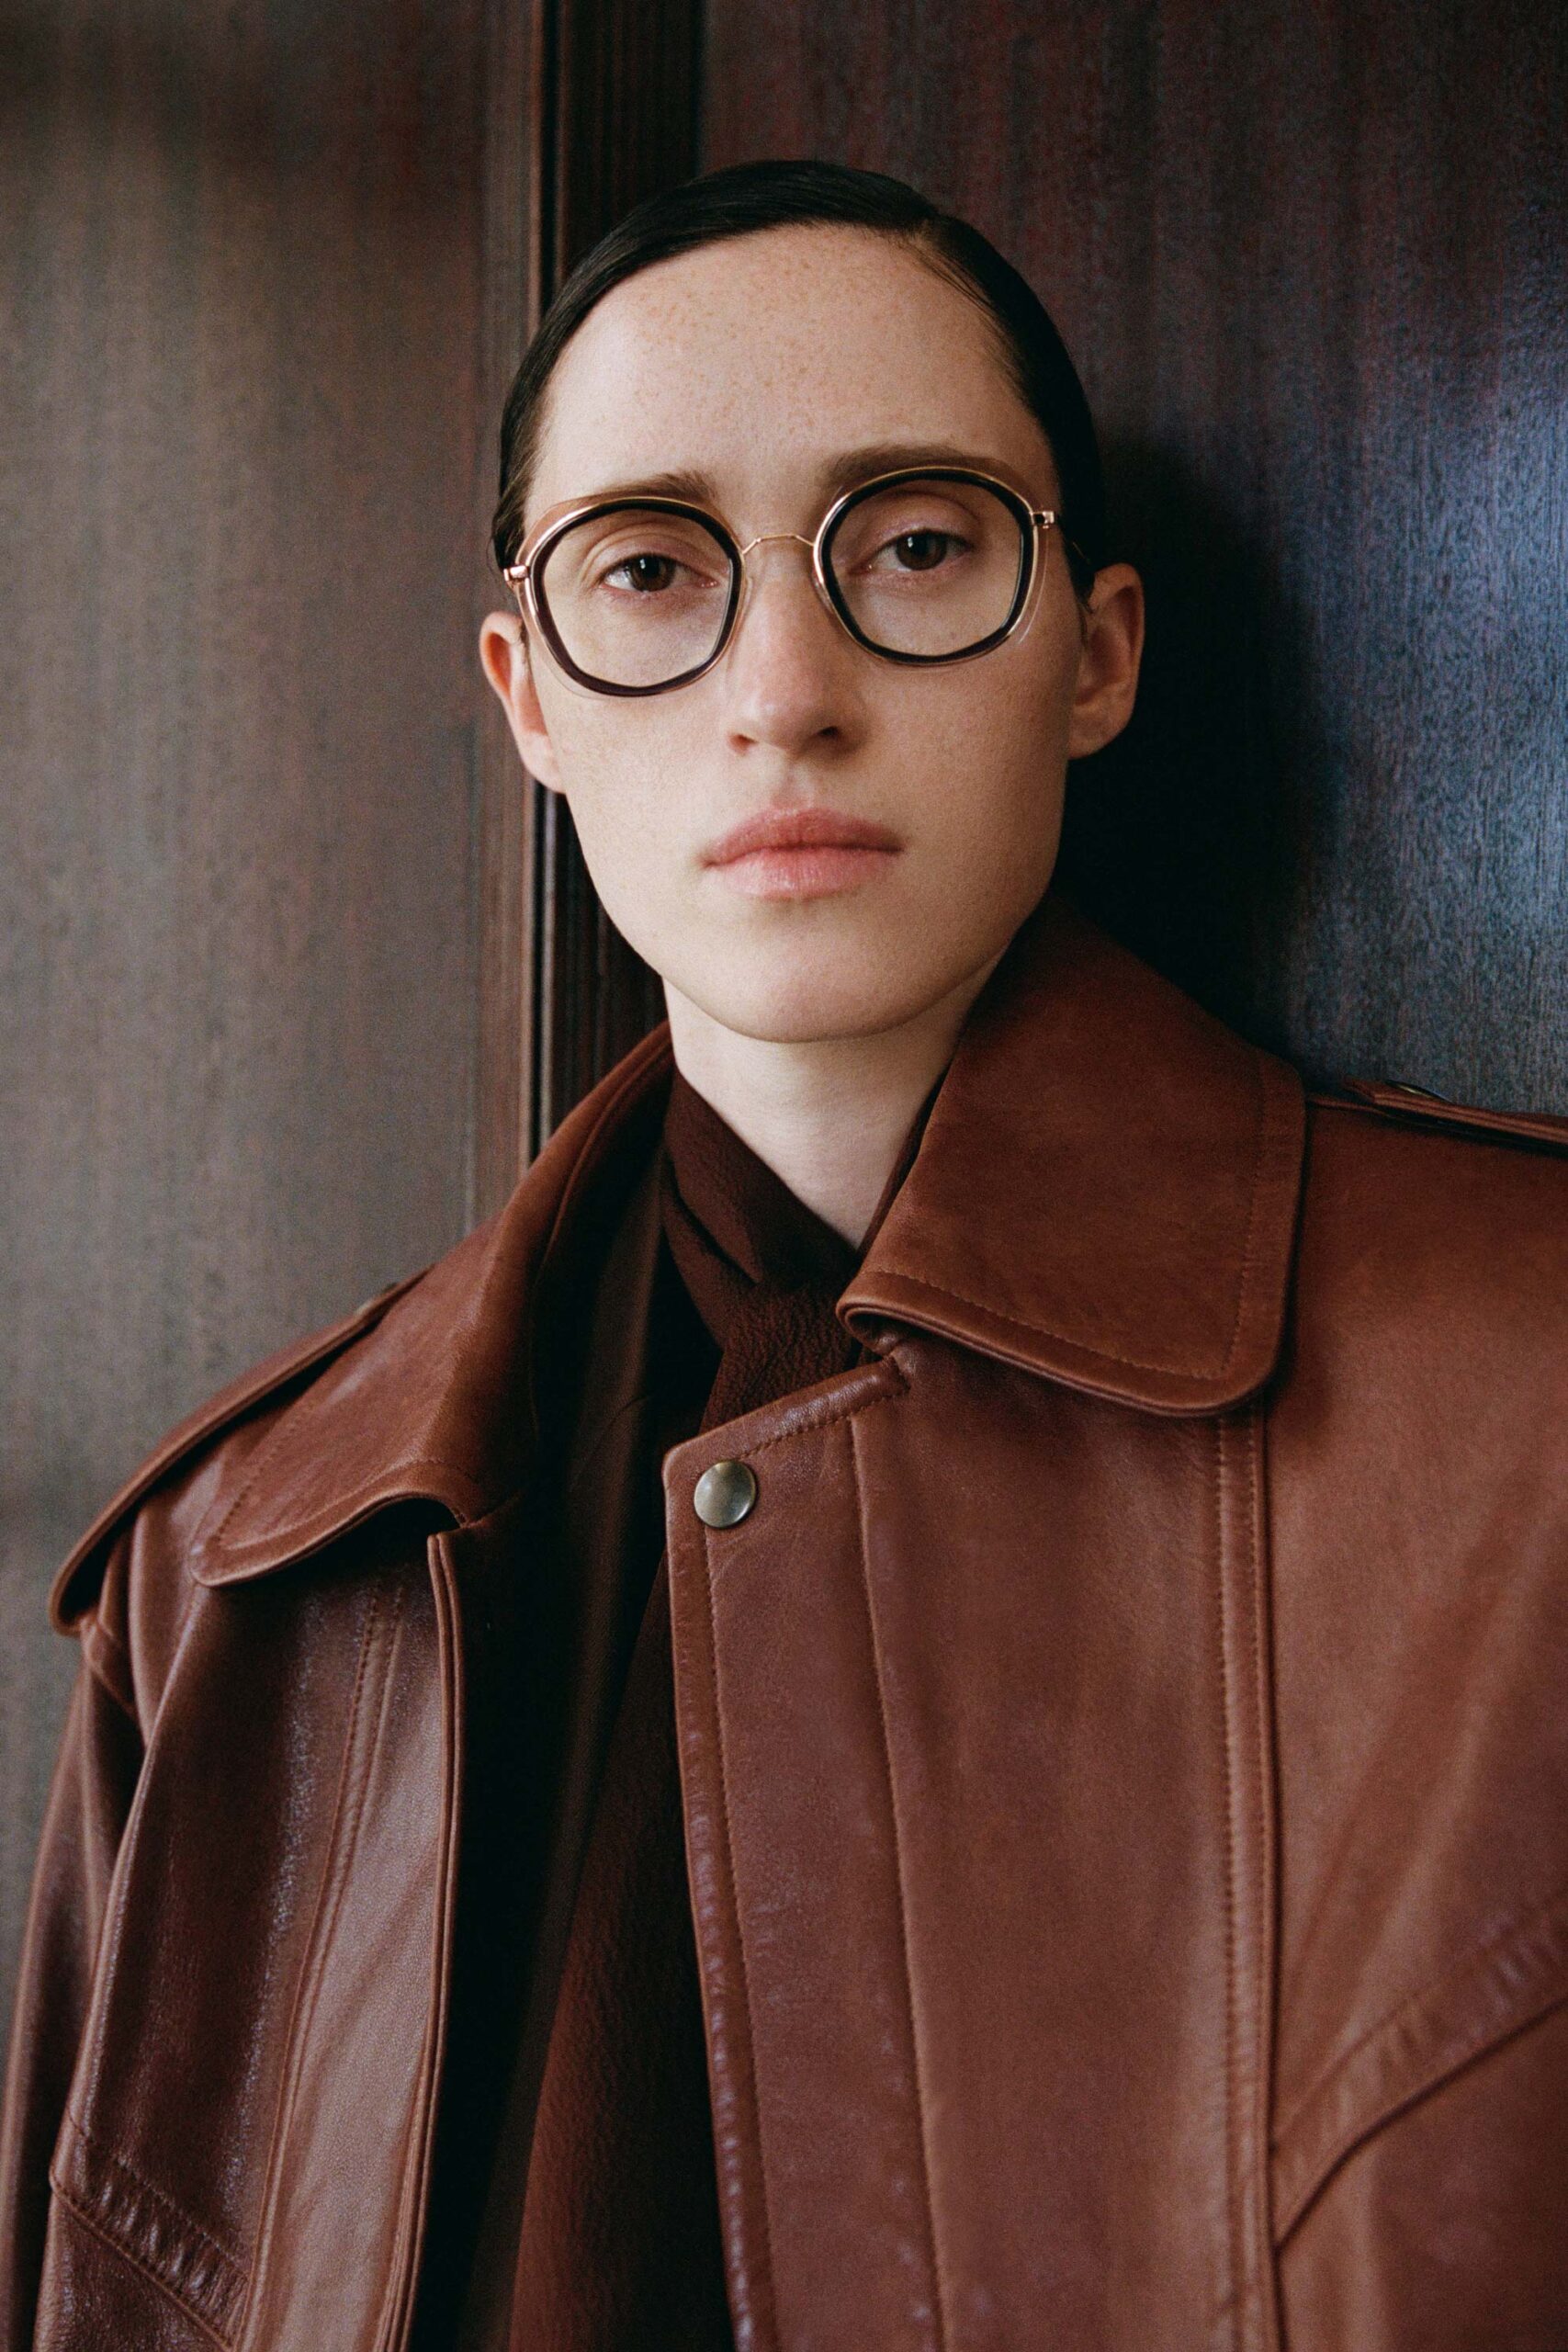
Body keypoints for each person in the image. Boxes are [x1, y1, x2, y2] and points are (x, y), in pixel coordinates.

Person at [2, 158, 1565, 2352]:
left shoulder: (1527, 1392)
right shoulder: (233, 1570)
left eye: (913, 545)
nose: (782, 688)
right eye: (649, 569)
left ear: (1094, 651)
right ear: (528, 696)